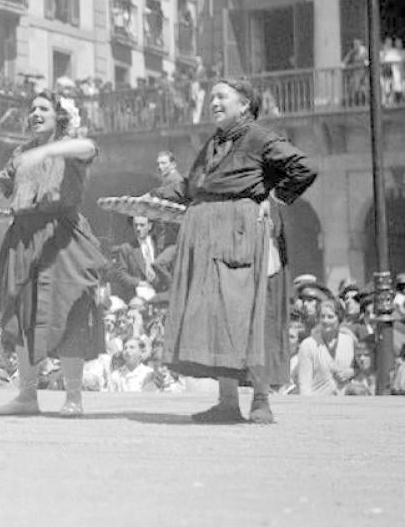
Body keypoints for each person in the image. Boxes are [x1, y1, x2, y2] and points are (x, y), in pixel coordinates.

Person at [155, 79, 317, 423]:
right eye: (211, 96)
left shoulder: (260, 137)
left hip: (246, 236)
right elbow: (190, 187)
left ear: (244, 104)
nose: (213, 102)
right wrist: (151, 197)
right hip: (211, 238)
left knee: (252, 314)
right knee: (219, 316)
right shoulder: (213, 142)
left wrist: (272, 198)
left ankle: (261, 400)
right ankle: (227, 402)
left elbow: (303, 168)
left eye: (221, 96)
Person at [0, 90, 106, 417]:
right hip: (23, 236)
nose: (35, 113)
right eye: (31, 109)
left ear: (59, 117)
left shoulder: (71, 146)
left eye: (43, 108)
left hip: (63, 235)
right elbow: (1, 186)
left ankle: (74, 398)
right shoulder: (20, 152)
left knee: (70, 311)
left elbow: (90, 148)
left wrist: (52, 148)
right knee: (23, 314)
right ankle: (27, 397)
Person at [296, 299, 355, 396]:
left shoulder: (349, 341)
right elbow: (304, 383)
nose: (325, 320)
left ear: (339, 318)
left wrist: (352, 372)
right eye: (322, 317)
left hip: (344, 403)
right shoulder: (308, 345)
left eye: (330, 317)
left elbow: (361, 369)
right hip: (318, 403)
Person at [106, 216, 167, 304]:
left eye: (142, 225)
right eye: (136, 225)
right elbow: (121, 275)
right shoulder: (126, 248)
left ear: (149, 226)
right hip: (137, 300)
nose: (138, 228)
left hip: (159, 296)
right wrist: (139, 283)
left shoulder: (157, 245)